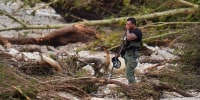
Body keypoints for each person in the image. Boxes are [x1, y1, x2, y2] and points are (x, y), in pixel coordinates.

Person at [122, 17, 142, 84]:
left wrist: (127, 30)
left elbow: (129, 38)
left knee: (129, 74)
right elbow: (124, 42)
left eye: (128, 24)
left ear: (133, 24)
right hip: (127, 54)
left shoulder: (138, 32)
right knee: (129, 73)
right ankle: (131, 86)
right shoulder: (128, 32)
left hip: (133, 56)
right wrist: (120, 52)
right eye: (126, 24)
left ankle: (133, 89)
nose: (126, 26)